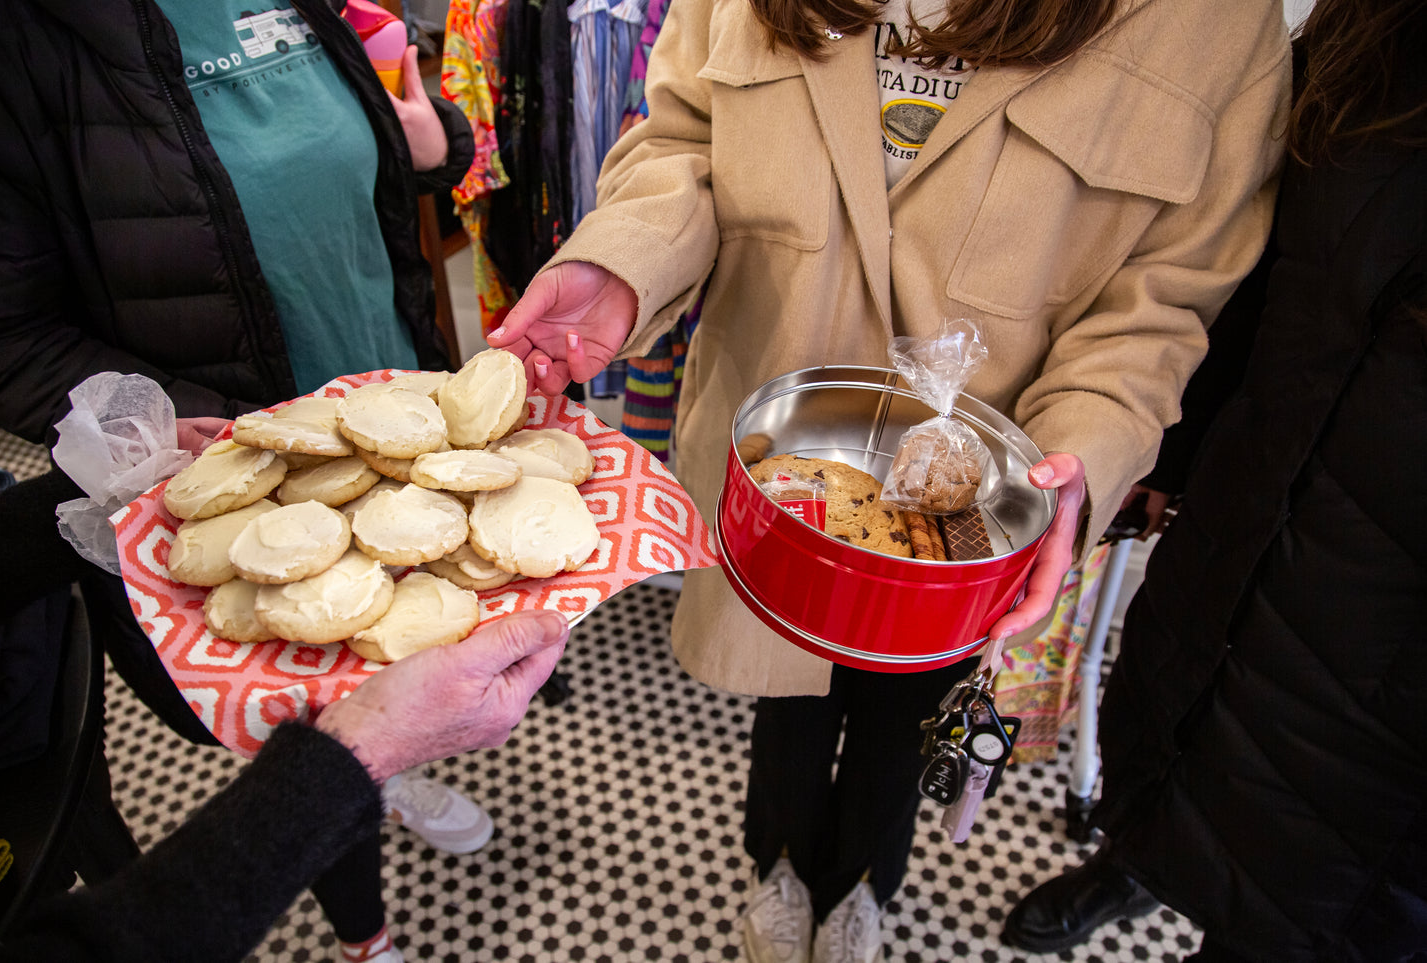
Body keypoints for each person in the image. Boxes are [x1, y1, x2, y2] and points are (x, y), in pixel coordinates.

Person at [483, 0, 1293, 957]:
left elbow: (1160, 303)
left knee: (906, 710)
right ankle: (774, 863)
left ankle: (868, 880)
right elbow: (684, 140)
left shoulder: (1216, 27)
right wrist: (623, 261)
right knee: (781, 685)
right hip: (773, 455)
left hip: (978, 491)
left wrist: (1085, 449)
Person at [0, 0, 482, 958]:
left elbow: (345, 172)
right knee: (311, 714)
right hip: (243, 480)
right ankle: (363, 931)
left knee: (397, 634)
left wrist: (436, 145)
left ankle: (391, 762)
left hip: (394, 417)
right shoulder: (20, 43)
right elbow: (1, 334)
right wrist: (163, 419)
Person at [1000, 0, 1427, 959]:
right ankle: (1140, 860)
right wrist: (1166, 453)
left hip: (1389, 673)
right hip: (1247, 525)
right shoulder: (1376, 30)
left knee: (1311, 904)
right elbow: (1263, 260)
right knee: (1187, 756)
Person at [0, 608, 570, 963]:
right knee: (311, 704)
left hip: (22, 655)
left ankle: (383, 775)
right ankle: (365, 934)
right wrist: (357, 754)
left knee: (380, 667)